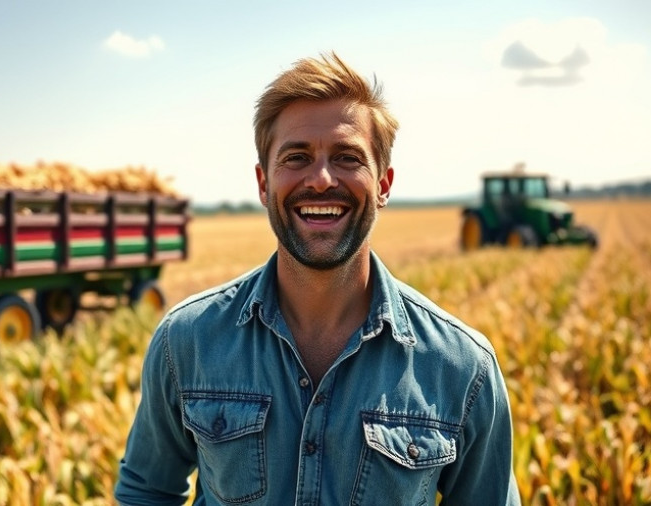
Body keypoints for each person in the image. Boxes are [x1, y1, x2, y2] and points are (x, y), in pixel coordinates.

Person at [115, 52, 520, 505]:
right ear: (263, 183)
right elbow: (146, 490)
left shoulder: (462, 368)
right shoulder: (187, 340)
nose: (322, 179)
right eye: (296, 157)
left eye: (348, 157)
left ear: (383, 184)